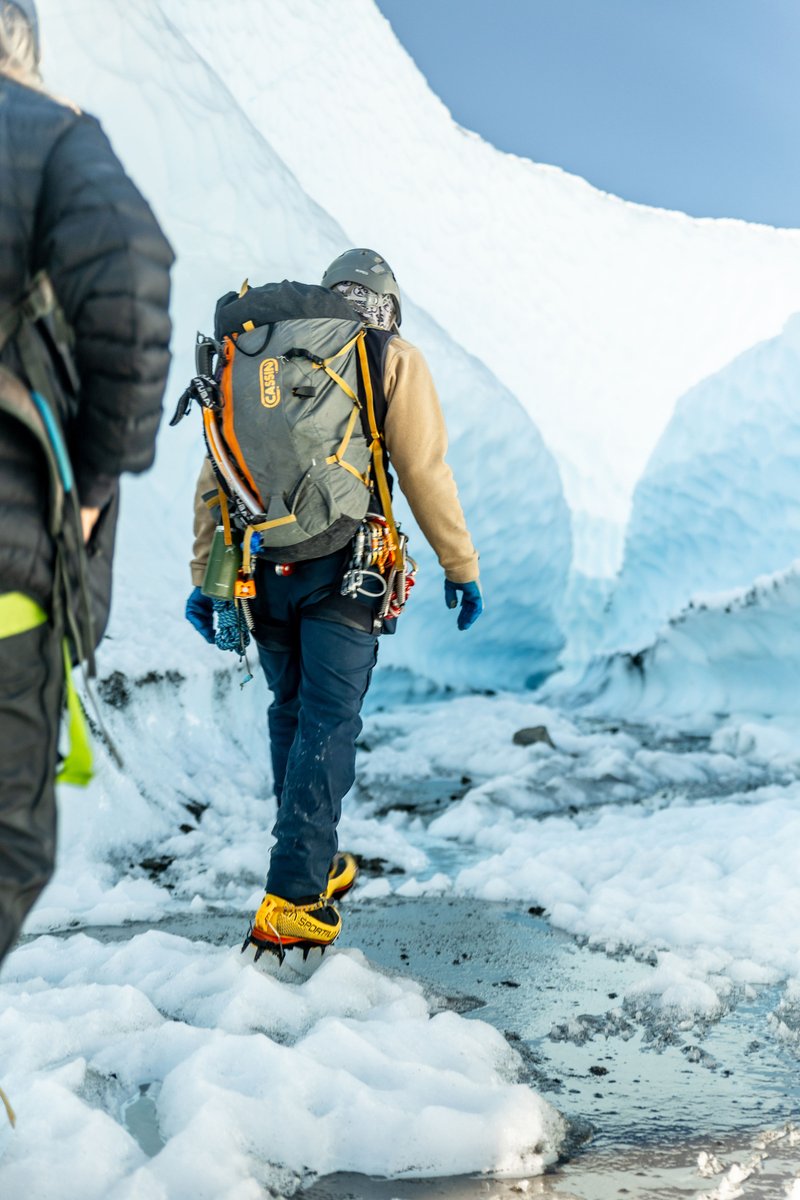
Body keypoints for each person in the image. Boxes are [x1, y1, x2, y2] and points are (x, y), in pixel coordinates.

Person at [185, 249, 481, 959]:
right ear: (385, 303)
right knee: (328, 716)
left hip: (265, 569)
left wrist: (206, 577)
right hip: (349, 564)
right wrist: (458, 563)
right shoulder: (385, 354)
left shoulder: (254, 353)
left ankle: (313, 866)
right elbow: (422, 467)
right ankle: (293, 899)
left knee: (292, 711)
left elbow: (215, 472)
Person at [0, 0, 174, 975]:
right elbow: (130, 276)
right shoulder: (45, 131)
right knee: (9, 847)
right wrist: (96, 481)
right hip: (7, 575)